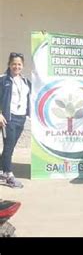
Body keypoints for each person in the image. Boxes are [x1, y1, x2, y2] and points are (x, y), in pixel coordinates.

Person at [0, 52, 31, 188]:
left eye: (19, 64)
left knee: (11, 146)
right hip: (8, 118)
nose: (16, 66)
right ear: (9, 64)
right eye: (14, 64)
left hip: (21, 118)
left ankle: (2, 170)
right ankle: (8, 174)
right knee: (8, 147)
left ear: (22, 66)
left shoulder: (25, 81)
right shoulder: (3, 80)